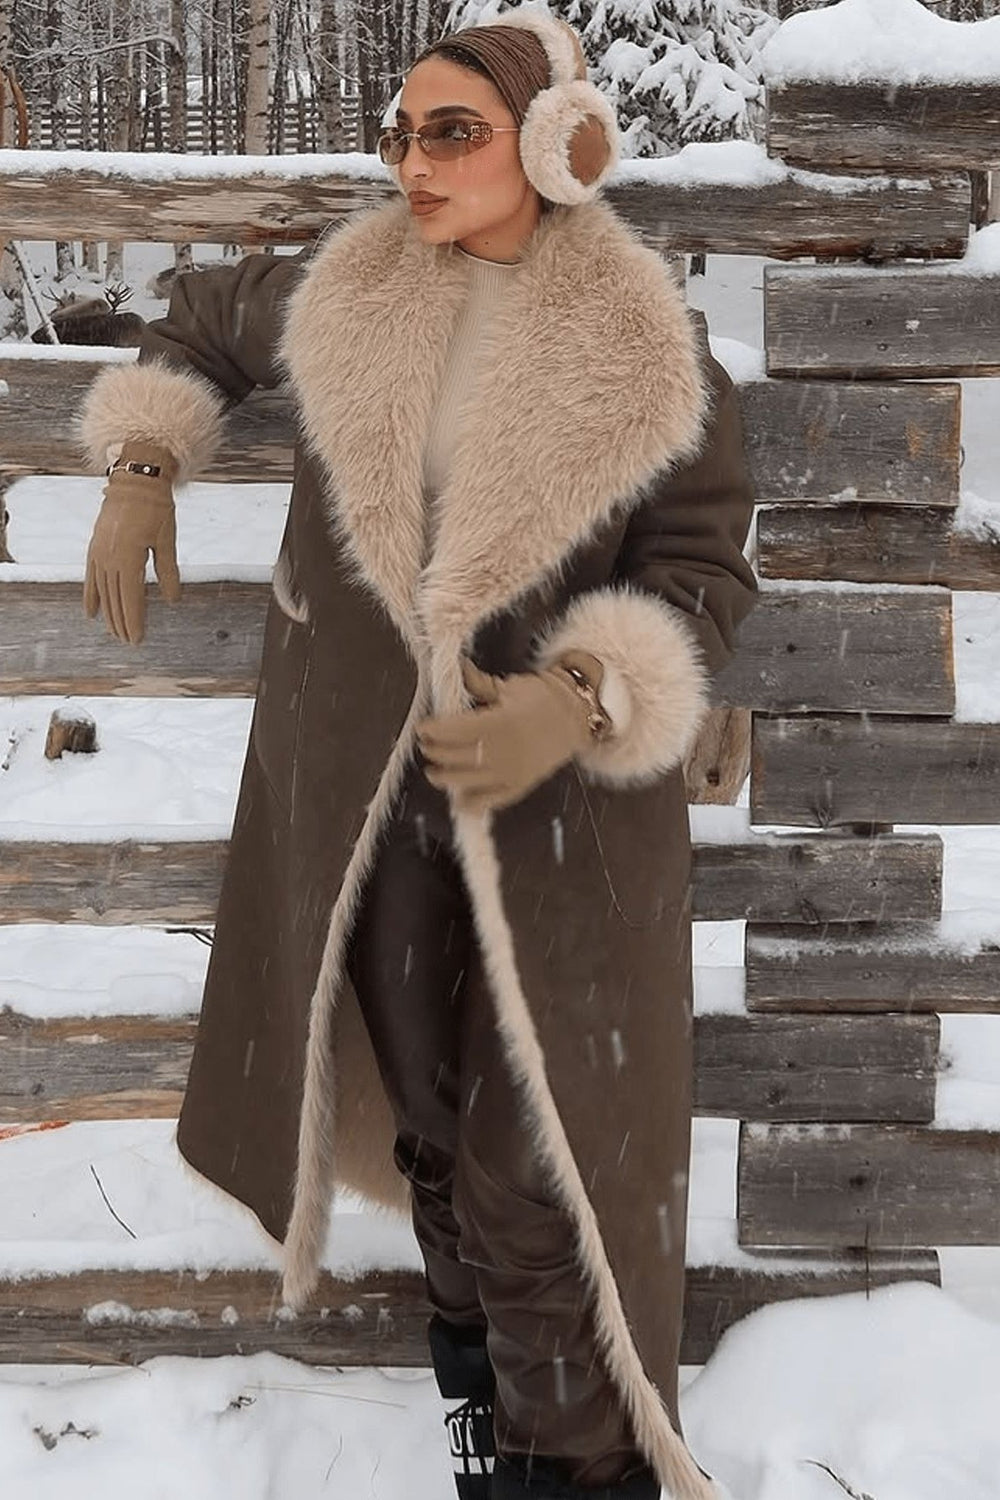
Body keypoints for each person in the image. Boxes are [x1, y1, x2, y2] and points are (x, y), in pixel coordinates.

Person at [76, 8, 758, 1497]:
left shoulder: (651, 349)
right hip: (372, 800)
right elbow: (199, 312)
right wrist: (142, 457)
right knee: (435, 1130)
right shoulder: (351, 288)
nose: (412, 163)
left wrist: (578, 697)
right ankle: (484, 1415)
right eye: (399, 133)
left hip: (564, 820)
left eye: (450, 131)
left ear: (556, 145)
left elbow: (703, 572)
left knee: (541, 1163)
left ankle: (579, 1466)